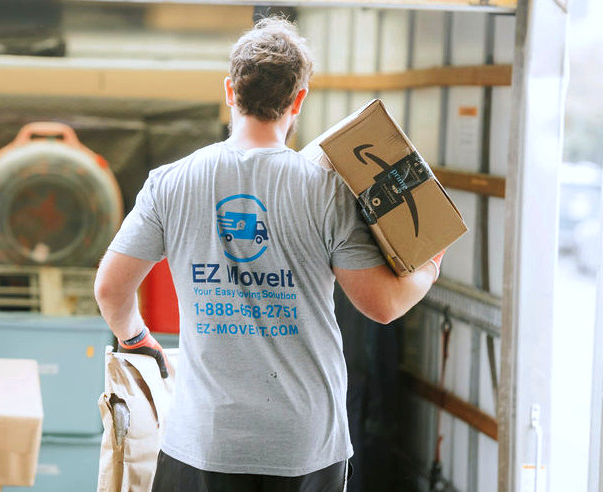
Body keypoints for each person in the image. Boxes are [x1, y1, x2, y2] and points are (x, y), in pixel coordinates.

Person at [94, 18, 445, 492]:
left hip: (204, 442)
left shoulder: (170, 183)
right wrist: (428, 268)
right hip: (303, 447)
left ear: (229, 90)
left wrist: (136, 339)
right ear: (298, 100)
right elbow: (382, 305)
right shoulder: (327, 191)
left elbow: (111, 290)